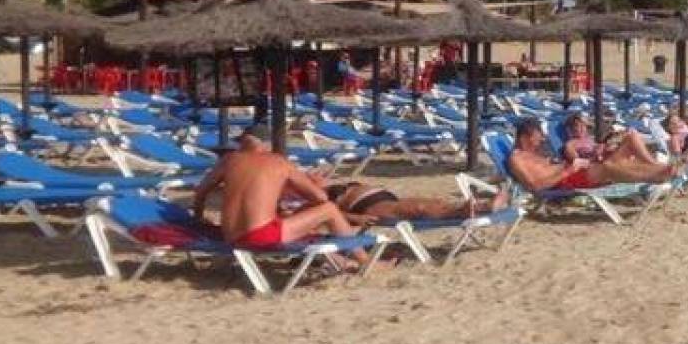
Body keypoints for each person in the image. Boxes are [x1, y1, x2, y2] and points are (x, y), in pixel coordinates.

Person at [190, 125, 368, 262]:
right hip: (260, 237)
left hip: (230, 236)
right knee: (329, 209)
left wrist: (198, 219)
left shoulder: (229, 160)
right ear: (266, 144)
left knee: (288, 217)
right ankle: (363, 260)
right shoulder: (279, 162)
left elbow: (201, 192)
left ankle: (340, 260)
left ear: (245, 142)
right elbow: (320, 197)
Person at [506, 117, 674, 191]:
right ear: (525, 137)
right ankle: (657, 175)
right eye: (538, 136)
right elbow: (534, 185)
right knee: (608, 167)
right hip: (567, 179)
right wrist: (569, 169)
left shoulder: (536, 154)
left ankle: (659, 169)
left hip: (575, 169)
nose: (542, 139)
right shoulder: (517, 158)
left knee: (629, 140)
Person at [321, 180, 508, 224]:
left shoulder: (318, 183)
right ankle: (467, 211)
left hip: (384, 197)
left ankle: (482, 206)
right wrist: (354, 218)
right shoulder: (317, 195)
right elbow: (327, 212)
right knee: (419, 208)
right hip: (367, 206)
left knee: (433, 202)